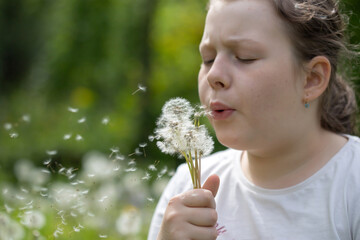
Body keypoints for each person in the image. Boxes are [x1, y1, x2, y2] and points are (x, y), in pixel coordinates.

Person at [148, 0, 360, 239]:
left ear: (311, 78)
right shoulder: (186, 189)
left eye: (244, 57)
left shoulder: (353, 183)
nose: (214, 75)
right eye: (208, 59)